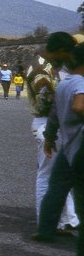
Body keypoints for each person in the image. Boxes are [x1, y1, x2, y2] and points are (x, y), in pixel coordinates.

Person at [33, 42, 84, 256]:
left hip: (67, 147)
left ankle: (45, 230)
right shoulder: (81, 84)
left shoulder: (63, 83)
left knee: (56, 188)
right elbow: (79, 107)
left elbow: (53, 113)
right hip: (81, 146)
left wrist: (50, 137)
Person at [26, 32, 78, 230]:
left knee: (59, 174)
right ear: (60, 51)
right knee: (48, 175)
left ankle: (68, 220)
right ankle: (48, 221)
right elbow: (48, 101)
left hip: (48, 122)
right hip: (47, 123)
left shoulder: (45, 65)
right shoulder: (41, 69)